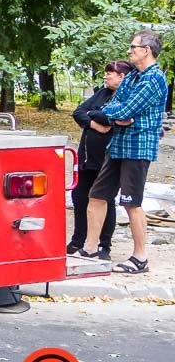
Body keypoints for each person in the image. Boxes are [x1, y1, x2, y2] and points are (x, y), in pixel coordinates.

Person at [83, 30, 169, 273]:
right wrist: (119, 117)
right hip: (118, 145)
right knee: (97, 195)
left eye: (133, 47)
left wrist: (120, 116)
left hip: (137, 148)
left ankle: (140, 258)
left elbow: (127, 109)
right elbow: (113, 107)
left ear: (147, 50)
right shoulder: (132, 77)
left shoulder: (154, 79)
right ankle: (90, 249)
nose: (129, 50)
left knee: (132, 203)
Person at [67, 61, 131, 258]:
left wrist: (95, 115)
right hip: (87, 156)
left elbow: (113, 117)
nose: (106, 77)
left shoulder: (127, 96)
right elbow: (78, 112)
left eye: (110, 73)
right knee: (79, 197)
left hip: (107, 158)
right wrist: (95, 124)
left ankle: (104, 245)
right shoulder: (102, 93)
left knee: (104, 199)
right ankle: (79, 240)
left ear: (122, 76)